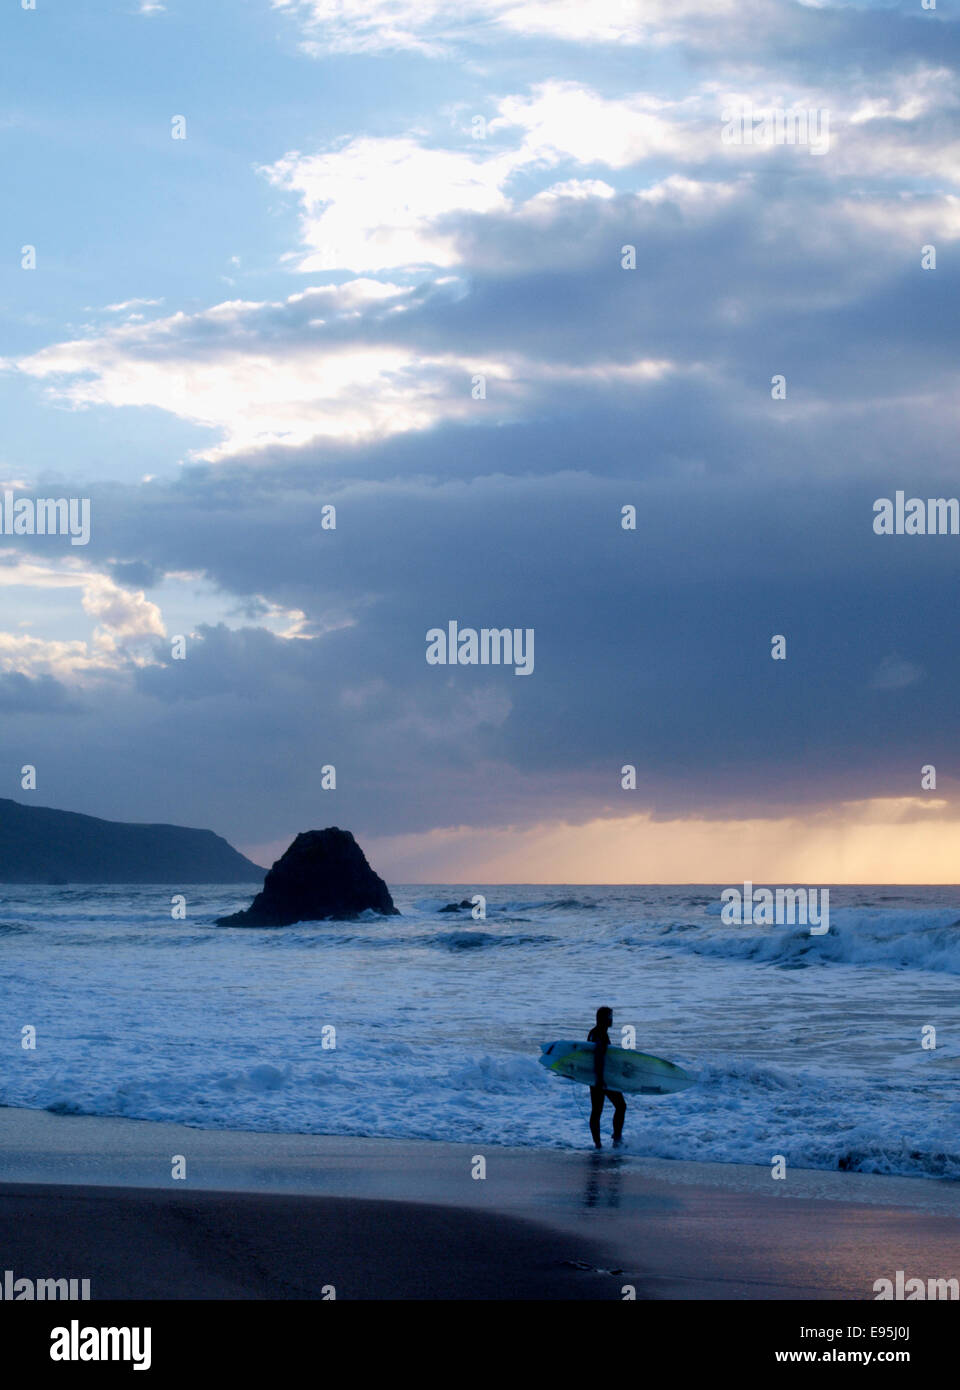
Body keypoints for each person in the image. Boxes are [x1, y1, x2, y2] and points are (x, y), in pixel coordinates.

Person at [587, 1006, 626, 1148]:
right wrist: (600, 1079)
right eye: (610, 1017)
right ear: (604, 1018)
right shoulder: (600, 1034)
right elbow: (598, 1056)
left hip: (597, 1077)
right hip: (601, 1078)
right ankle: (615, 1140)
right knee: (620, 1106)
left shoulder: (596, 1032)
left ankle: (599, 1144)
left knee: (597, 1110)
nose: (612, 1019)